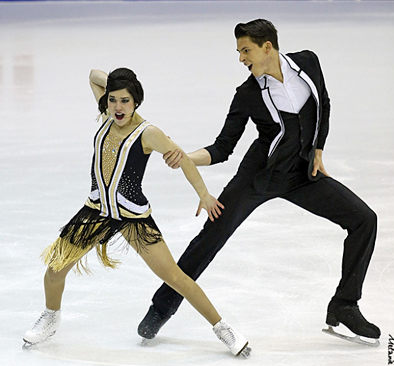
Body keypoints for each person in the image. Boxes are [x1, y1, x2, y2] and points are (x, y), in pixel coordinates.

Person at [138, 19, 381, 346]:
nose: (241, 58)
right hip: (256, 179)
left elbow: (323, 102)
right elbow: (223, 147)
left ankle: (345, 304)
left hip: (301, 175)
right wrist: (186, 156)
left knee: (364, 220)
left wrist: (318, 149)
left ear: (268, 46)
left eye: (246, 50)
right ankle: (162, 307)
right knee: (212, 236)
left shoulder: (307, 62)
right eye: (239, 51)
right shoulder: (249, 93)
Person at [23, 67, 251, 358]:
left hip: (133, 218)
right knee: (55, 269)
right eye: (113, 100)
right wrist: (120, 85)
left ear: (136, 103)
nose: (118, 107)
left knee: (175, 277)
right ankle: (51, 317)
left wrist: (204, 195)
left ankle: (223, 328)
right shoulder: (107, 116)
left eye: (126, 101)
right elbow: (94, 75)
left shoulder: (149, 133)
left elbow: (182, 160)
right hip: (95, 212)